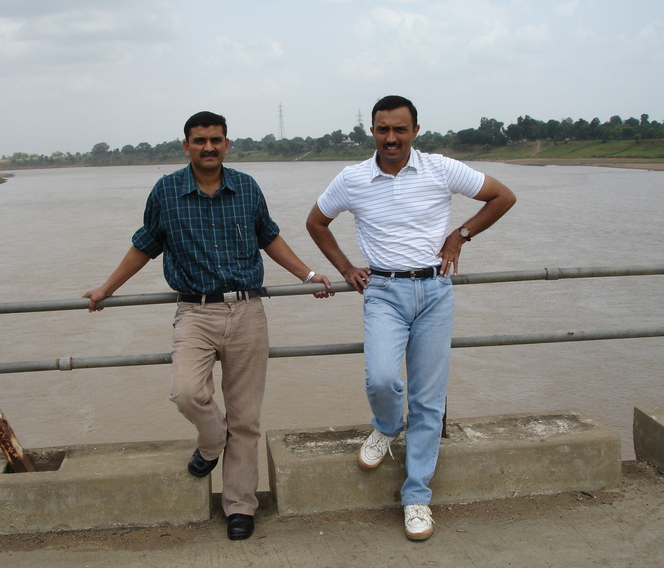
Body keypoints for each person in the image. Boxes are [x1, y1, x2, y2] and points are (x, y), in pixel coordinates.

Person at [84, 111, 331, 541]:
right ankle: (211, 442)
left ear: (227, 144)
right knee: (186, 391)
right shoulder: (166, 192)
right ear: (186, 146)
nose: (209, 147)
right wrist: (106, 287)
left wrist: (308, 276)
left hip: (247, 310)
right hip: (194, 313)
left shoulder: (247, 188)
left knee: (246, 417)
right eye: (200, 141)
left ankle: (239, 505)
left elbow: (268, 237)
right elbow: (145, 245)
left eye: (216, 140)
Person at [306, 95, 515, 541]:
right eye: (383, 129)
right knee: (382, 378)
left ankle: (416, 496)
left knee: (427, 398)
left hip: (435, 291)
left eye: (400, 129)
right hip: (381, 290)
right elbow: (316, 223)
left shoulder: (441, 168)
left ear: (415, 131)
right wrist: (346, 269)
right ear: (372, 132)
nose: (391, 138)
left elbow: (502, 196)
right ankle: (385, 425)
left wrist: (459, 236)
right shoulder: (353, 178)